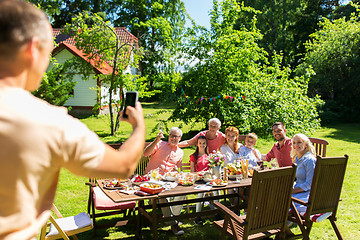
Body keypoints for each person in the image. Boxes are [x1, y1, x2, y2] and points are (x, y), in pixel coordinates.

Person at [0, 1, 145, 239]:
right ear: (32, 49)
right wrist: (138, 127)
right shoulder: (46, 122)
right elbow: (123, 166)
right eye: (48, 53)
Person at [143, 127, 185, 235]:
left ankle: (173, 216)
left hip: (167, 180)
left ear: (180, 138)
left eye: (176, 136)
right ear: (168, 136)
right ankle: (173, 223)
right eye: (171, 135)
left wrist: (177, 171)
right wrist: (156, 140)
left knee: (183, 192)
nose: (173, 138)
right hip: (151, 179)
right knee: (163, 195)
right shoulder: (160, 144)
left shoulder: (180, 152)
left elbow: (179, 169)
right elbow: (145, 153)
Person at [291, 134, 316, 215]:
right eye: (294, 143)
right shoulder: (297, 158)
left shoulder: (309, 160)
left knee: (279, 199)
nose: (295, 145)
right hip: (298, 190)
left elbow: (309, 184)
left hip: (306, 195)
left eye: (299, 142)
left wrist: (291, 191)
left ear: (306, 145)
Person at [189, 136, 209, 226]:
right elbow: (192, 172)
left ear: (206, 144)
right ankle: (198, 216)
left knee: (217, 191)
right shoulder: (194, 156)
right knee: (202, 192)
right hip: (199, 180)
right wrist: (198, 174)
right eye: (200, 143)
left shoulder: (209, 156)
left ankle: (218, 213)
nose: (202, 145)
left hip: (208, 179)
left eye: (204, 143)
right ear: (197, 144)